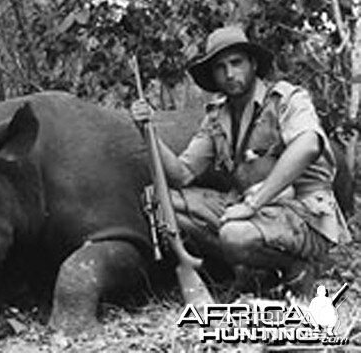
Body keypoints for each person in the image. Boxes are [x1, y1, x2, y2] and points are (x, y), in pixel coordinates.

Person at [131, 26, 351, 295]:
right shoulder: (216, 116)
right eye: (220, 67)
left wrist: (253, 204)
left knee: (234, 236)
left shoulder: (287, 98)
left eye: (236, 63)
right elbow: (182, 174)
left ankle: (298, 268)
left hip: (302, 211)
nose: (230, 74)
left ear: (253, 64)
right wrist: (147, 130)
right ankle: (254, 270)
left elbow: (308, 145)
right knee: (160, 201)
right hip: (249, 208)